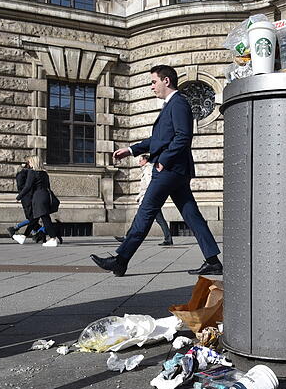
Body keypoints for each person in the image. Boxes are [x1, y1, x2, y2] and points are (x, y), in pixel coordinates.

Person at [91, 65, 222, 277]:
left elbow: (183, 137)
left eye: (153, 81)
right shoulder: (172, 105)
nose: (152, 86)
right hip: (177, 170)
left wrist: (164, 160)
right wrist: (132, 149)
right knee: (192, 215)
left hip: (170, 170)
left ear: (166, 81)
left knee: (146, 211)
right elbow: (158, 139)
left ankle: (121, 260)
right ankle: (213, 260)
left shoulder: (178, 103)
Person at [114, 154, 173, 246]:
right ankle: (168, 238)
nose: (139, 162)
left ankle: (128, 238)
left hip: (149, 199)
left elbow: (150, 185)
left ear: (146, 160)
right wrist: (139, 196)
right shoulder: (146, 169)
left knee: (146, 219)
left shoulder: (148, 169)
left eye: (140, 160)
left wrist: (146, 198)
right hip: (148, 198)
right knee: (154, 219)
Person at [17, 156, 61, 247]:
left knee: (45, 218)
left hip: (38, 197)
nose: (28, 164)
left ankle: (53, 238)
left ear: (33, 162)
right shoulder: (45, 173)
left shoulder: (32, 173)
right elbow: (48, 186)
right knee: (34, 218)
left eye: (29, 162)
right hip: (45, 196)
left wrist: (19, 197)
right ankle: (23, 237)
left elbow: (28, 187)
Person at [9, 161, 46, 244]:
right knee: (33, 218)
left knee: (33, 218)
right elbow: (28, 187)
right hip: (29, 198)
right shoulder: (28, 173)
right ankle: (21, 230)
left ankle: (33, 233)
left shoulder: (20, 174)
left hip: (26, 198)